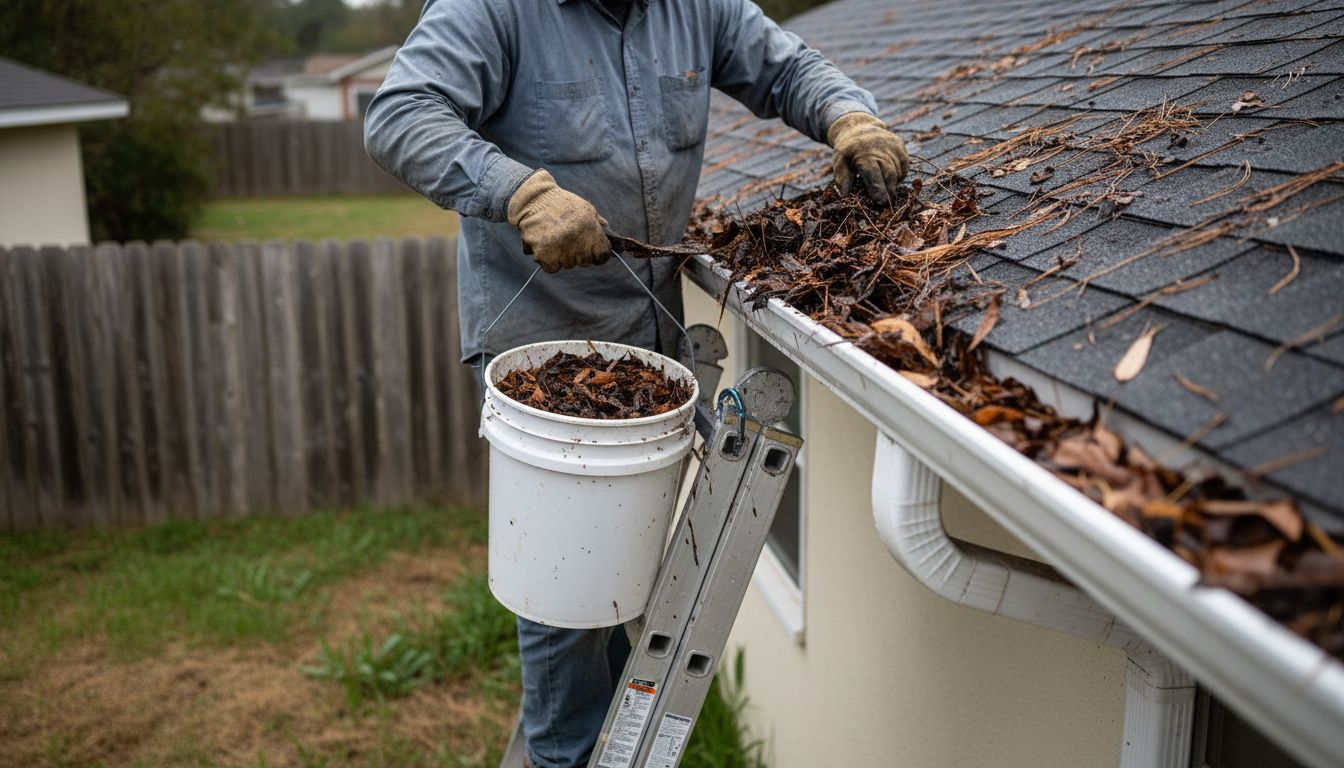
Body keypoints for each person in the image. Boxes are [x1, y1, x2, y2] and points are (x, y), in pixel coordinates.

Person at [364, 1, 906, 765]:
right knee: (565, 585)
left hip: (650, 352)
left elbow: (786, 67)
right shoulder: (491, 9)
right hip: (542, 358)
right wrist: (524, 194)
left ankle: (610, 731)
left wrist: (850, 120)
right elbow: (400, 115)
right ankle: (561, 754)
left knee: (626, 573)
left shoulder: (696, 8)